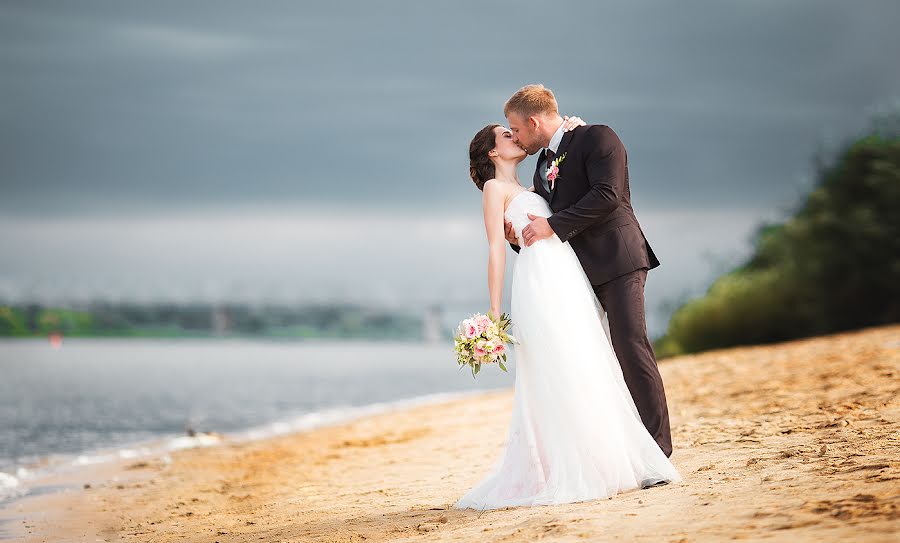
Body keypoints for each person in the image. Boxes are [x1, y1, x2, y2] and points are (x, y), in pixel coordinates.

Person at [453, 113, 681, 512]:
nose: (515, 137)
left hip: (569, 278)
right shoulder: (493, 187)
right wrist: (493, 310)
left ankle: (608, 458)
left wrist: (571, 132)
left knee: (588, 360)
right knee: (558, 366)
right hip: (540, 283)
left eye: (516, 128)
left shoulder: (537, 179)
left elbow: (558, 213)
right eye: (507, 134)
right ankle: (570, 467)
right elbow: (494, 247)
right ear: (493, 151)